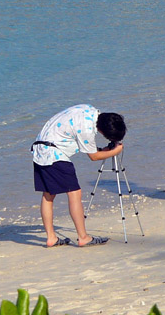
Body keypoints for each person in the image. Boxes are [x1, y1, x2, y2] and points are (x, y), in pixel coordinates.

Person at [31, 104, 127, 247]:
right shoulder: (87, 130)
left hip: (39, 149)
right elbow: (94, 157)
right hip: (55, 154)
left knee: (48, 195)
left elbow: (72, 134)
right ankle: (83, 237)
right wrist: (115, 151)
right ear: (103, 132)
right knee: (74, 193)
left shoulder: (89, 110)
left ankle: (51, 237)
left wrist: (104, 150)